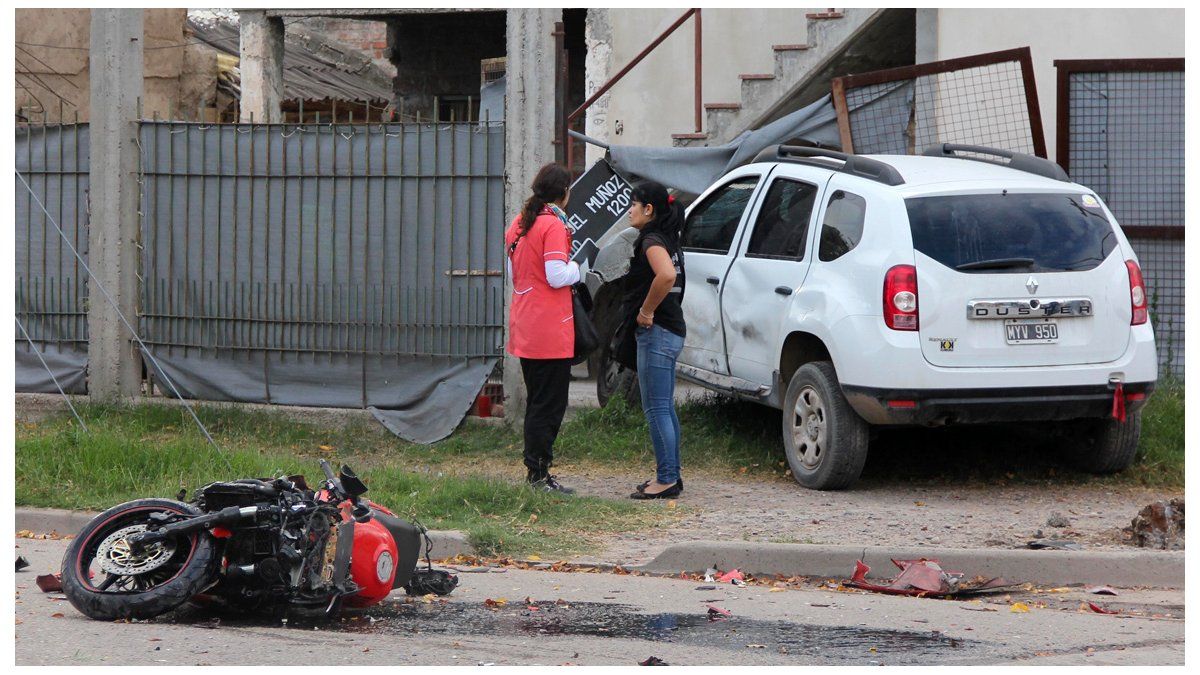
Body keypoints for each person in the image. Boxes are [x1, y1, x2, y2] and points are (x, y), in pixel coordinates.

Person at [504, 163, 579, 494]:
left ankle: (535, 471)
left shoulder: (519, 224)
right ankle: (538, 473)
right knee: (549, 406)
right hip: (550, 329)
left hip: (525, 323)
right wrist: (580, 266)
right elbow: (556, 275)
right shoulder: (553, 227)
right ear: (563, 193)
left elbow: (514, 276)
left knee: (538, 401)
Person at [624, 180, 687, 500]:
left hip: (658, 331)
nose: (629, 210)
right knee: (664, 407)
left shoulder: (651, 240)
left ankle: (666, 480)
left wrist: (646, 311)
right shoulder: (666, 238)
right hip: (671, 330)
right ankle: (670, 474)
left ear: (649, 209)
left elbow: (666, 276)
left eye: (633, 204)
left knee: (656, 408)